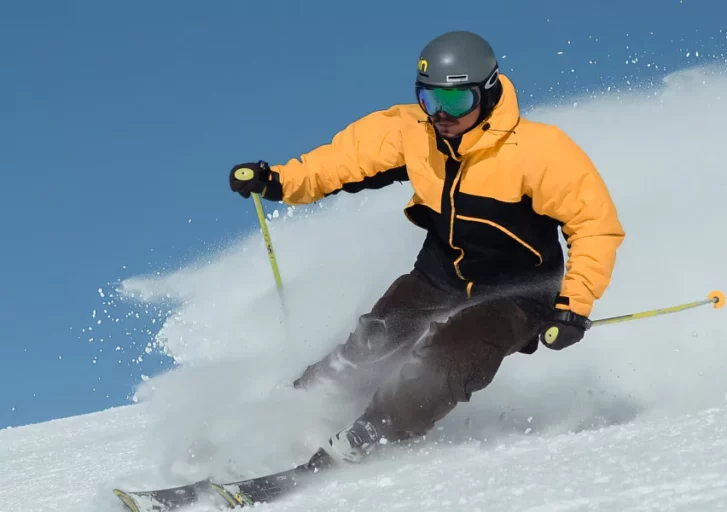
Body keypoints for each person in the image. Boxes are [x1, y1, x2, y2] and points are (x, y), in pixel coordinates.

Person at [228, 30, 625, 469]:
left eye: (454, 102)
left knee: (446, 356)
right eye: (429, 100)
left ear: (487, 93)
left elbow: (595, 226)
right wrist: (280, 181)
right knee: (373, 341)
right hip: (441, 276)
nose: (440, 115)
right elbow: (342, 161)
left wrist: (573, 305)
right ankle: (289, 415)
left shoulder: (539, 152)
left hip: (519, 293)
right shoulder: (414, 132)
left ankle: (371, 435)